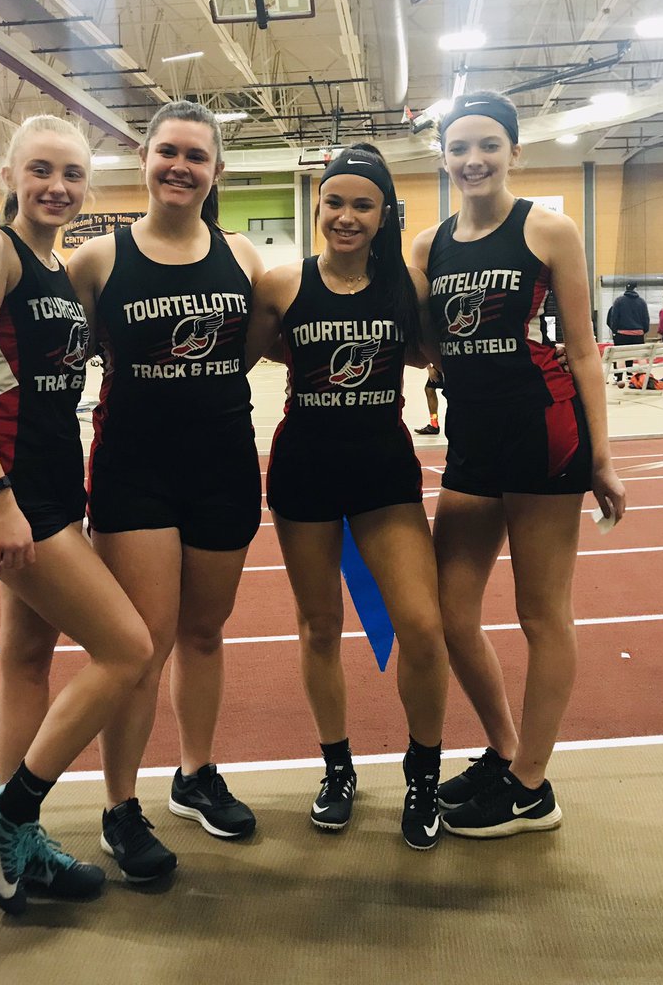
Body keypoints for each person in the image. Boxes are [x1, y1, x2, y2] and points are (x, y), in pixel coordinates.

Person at [0, 115, 152, 915]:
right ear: (10, 173)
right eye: (41, 170)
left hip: (56, 479)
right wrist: (0, 502)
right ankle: (15, 811)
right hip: (12, 482)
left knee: (25, 658)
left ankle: (14, 858)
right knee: (127, 648)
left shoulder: (55, 268)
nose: (57, 186)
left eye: (71, 173)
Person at [411, 90, 626, 839]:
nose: (472, 160)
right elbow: (425, 344)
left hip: (546, 435)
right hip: (471, 443)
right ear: (441, 157)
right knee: (449, 612)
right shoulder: (427, 246)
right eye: (459, 148)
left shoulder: (548, 228)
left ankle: (532, 785)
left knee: (541, 614)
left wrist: (601, 455)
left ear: (514, 152)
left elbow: (583, 349)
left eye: (487, 146)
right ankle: (505, 751)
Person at [68, 100, 265, 883]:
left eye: (198, 156)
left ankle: (194, 773)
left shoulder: (244, 257)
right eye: (168, 152)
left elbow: (248, 354)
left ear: (216, 172)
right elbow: (58, 355)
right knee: (142, 645)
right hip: (133, 472)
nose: (181, 167)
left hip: (222, 468)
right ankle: (121, 808)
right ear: (145, 160)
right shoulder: (97, 261)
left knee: (206, 632)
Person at [245, 144, 450, 849]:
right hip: (304, 467)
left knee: (423, 627)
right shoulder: (280, 285)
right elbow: (251, 353)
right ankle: (337, 768)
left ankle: (424, 773)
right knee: (319, 626)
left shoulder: (409, 287)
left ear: (384, 213)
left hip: (384, 474)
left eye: (362, 204)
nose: (346, 216)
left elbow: (433, 353)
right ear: (318, 207)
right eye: (334, 202)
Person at [415, 363, 445, 435]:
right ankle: (434, 425)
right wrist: (430, 368)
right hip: (441, 363)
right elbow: (429, 352)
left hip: (454, 363)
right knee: (429, 389)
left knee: (455, 391)